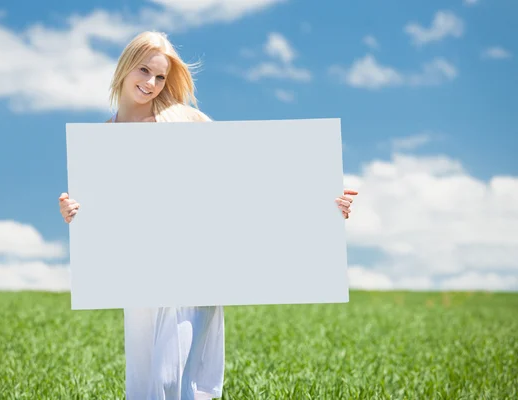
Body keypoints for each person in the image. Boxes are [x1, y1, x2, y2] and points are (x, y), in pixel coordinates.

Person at [58, 31, 358, 400]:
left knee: (181, 376)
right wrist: (75, 214)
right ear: (124, 67)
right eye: (143, 71)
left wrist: (318, 203)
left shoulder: (184, 120)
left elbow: (250, 174)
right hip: (138, 274)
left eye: (161, 77)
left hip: (192, 267)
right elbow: (100, 220)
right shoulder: (100, 141)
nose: (151, 84)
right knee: (144, 380)